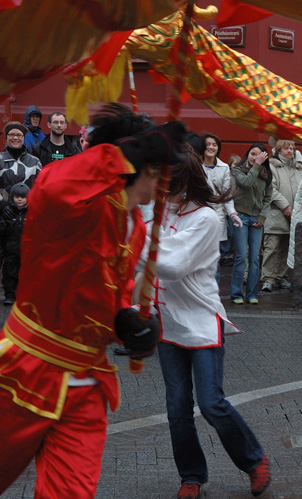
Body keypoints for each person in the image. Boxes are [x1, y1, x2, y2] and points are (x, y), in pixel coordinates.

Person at [0, 103, 181, 498]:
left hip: (87, 388)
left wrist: (127, 324)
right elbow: (51, 183)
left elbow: (104, 297)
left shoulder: (133, 226)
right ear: (146, 167)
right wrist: (120, 154)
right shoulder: (75, 206)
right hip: (24, 375)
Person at [153, 152, 270, 499]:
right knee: (177, 408)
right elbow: (142, 268)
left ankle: (254, 461)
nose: (162, 193)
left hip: (202, 320)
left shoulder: (206, 219)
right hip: (167, 322)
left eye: (168, 187)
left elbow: (172, 265)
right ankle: (191, 475)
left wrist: (134, 244)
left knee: (211, 403)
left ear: (185, 185)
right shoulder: (158, 212)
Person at [230, 143, 273, 305]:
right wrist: (257, 165)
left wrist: (262, 218)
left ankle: (252, 294)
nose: (255, 157)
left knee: (255, 258)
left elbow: (268, 197)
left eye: (259, 155)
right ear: (247, 154)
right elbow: (246, 183)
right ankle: (236, 294)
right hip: (240, 216)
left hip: (256, 219)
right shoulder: (238, 170)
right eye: (252, 154)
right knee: (241, 256)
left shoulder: (267, 173)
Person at [262, 139, 302, 292]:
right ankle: (268, 278)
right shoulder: (272, 167)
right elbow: (271, 189)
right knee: (272, 247)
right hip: (276, 214)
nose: (290, 151)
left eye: (292, 148)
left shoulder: (298, 169)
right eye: (286, 148)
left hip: (294, 216)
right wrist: (285, 206)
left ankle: (282, 277)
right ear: (279, 150)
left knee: (287, 248)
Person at [200, 133, 242, 285]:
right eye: (208, 144)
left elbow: (226, 195)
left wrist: (232, 213)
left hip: (217, 216)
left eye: (215, 145)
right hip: (198, 215)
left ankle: (213, 295)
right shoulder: (196, 165)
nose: (211, 147)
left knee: (214, 259)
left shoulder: (224, 167)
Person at [0, 183, 29, 305]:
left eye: (23, 197)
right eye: (17, 197)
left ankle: (24, 295)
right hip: (10, 249)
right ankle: (10, 295)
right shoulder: (6, 213)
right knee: (9, 272)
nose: (20, 199)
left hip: (27, 250)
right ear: (12, 197)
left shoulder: (32, 212)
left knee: (26, 273)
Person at [1, 122, 42, 198]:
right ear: (6, 137)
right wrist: (2, 204)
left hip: (28, 208)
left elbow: (40, 189)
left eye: (19, 135)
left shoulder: (35, 162)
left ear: (23, 137)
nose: (15, 138)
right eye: (12, 135)